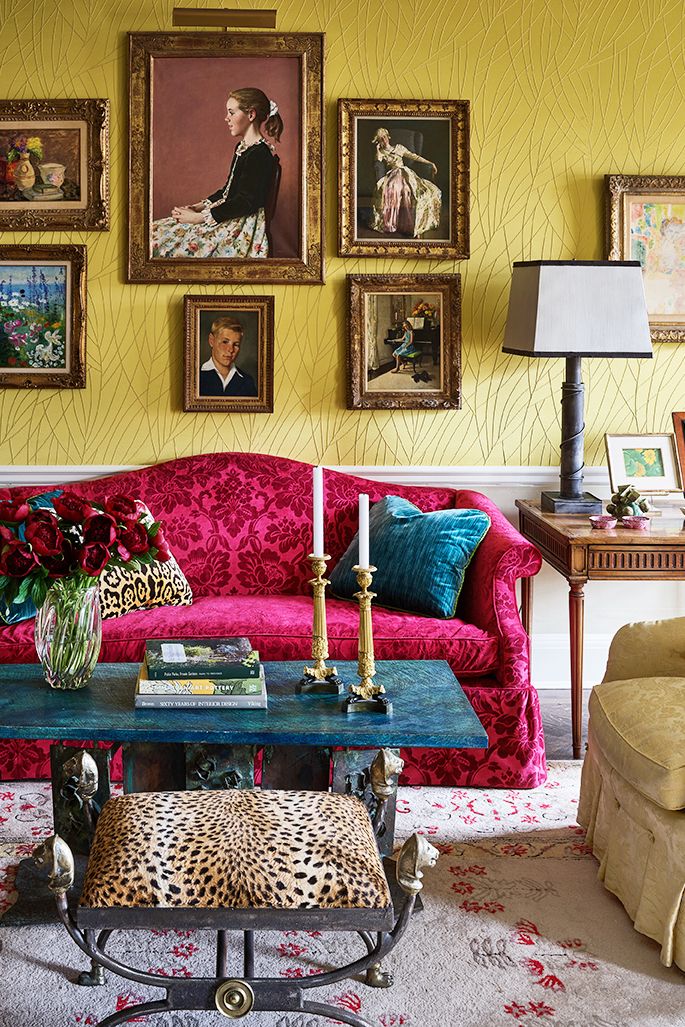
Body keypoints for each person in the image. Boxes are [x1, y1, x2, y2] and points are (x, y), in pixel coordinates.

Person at [151, 88, 282, 259]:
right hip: (228, 213)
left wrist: (198, 218)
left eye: (231, 112)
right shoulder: (243, 148)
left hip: (240, 225)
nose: (226, 118)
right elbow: (228, 191)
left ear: (251, 115)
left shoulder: (260, 154)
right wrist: (196, 207)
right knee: (155, 231)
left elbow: (245, 202)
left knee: (162, 243)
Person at [369, 127, 442, 238]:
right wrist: (378, 150)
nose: (384, 140)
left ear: (388, 137)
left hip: (405, 173)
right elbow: (377, 160)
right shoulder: (382, 152)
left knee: (411, 190)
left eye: (385, 137)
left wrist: (430, 163)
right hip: (393, 174)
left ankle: (413, 226)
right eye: (381, 138)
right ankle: (395, 223)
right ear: (378, 141)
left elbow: (414, 156)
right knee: (393, 188)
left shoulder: (399, 148)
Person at [199, 316, 257, 397]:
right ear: (211, 340)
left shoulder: (247, 382)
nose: (230, 350)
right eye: (225, 342)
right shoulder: (196, 377)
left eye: (236, 344)